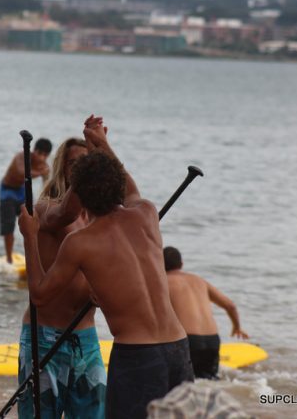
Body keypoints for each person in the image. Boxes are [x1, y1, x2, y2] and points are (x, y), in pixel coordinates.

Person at [18, 115, 194, 419]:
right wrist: (103, 143)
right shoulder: (146, 214)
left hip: (137, 357)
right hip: (178, 348)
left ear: (79, 193)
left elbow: (39, 295)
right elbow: (127, 185)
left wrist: (29, 237)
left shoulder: (82, 243)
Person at [18, 138, 106, 418]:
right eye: (74, 163)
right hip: (44, 337)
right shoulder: (45, 209)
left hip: (86, 337)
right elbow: (66, 212)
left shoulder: (98, 218)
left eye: (87, 162)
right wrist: (91, 167)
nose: (81, 168)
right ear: (62, 169)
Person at [164, 246, 249, 380]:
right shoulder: (199, 280)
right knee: (209, 381)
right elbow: (230, 306)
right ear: (181, 264)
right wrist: (237, 327)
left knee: (183, 383)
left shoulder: (163, 282)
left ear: (159, 265)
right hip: (212, 340)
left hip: (188, 341)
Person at [0, 138, 51, 264]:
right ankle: (9, 259)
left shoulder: (43, 165)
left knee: (32, 223)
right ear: (34, 151)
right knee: (9, 226)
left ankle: (34, 255)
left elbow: (46, 184)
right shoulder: (21, 157)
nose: (42, 158)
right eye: (40, 154)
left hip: (23, 191)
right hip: (8, 190)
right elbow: (21, 172)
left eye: (45, 155)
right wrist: (40, 173)